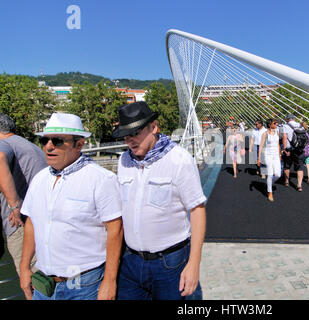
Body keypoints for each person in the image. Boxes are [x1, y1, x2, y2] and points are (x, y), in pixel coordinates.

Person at [19, 113, 123, 300]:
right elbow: (31, 223)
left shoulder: (101, 179)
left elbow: (115, 229)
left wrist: (109, 281)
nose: (49, 147)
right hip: (43, 284)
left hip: (85, 286)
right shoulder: (39, 179)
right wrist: (24, 267)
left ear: (79, 144)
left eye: (58, 141)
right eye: (44, 140)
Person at [113, 101, 206, 300]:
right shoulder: (124, 161)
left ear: (154, 127)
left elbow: (197, 210)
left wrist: (194, 264)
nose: (130, 140)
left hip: (170, 264)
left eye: (135, 132)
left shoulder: (178, 159)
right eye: (126, 135)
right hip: (130, 262)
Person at [0, 114, 46, 275]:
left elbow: (0, 157)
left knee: (33, 281)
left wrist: (15, 205)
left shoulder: (4, 144)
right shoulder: (28, 145)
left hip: (20, 225)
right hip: (39, 221)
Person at [258, 119, 282, 202]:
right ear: (270, 124)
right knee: (270, 174)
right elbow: (261, 146)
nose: (276, 124)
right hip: (268, 155)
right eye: (275, 123)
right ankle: (270, 192)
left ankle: (269, 184)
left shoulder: (277, 133)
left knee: (278, 174)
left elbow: (278, 144)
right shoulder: (265, 134)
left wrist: (280, 154)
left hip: (276, 156)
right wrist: (259, 158)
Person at [281, 114, 305, 191]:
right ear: (294, 119)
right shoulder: (300, 125)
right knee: (300, 167)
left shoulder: (285, 126)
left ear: (287, 119)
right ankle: (299, 185)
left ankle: (287, 181)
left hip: (289, 149)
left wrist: (284, 148)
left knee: (287, 166)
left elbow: (284, 138)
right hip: (299, 149)